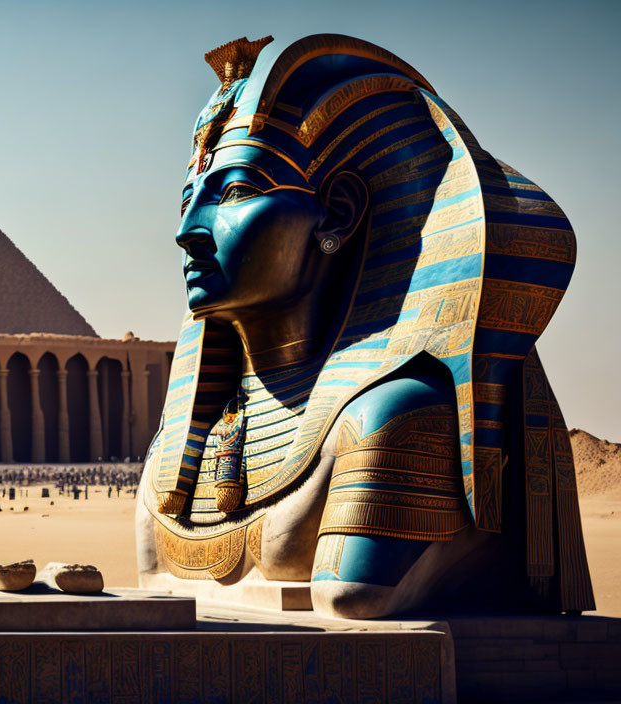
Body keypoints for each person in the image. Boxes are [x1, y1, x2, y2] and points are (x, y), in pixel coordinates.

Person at [136, 34, 594, 617]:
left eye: (234, 191)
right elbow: (151, 594)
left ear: (338, 211)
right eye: (187, 198)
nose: (189, 230)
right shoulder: (172, 454)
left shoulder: (394, 417)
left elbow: (350, 598)